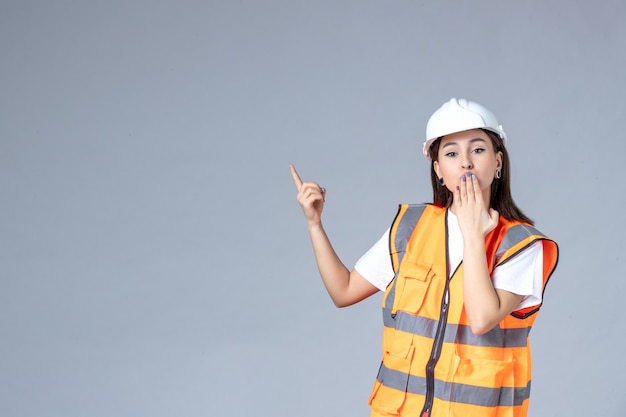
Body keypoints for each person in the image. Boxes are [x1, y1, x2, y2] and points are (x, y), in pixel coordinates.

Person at [290, 97, 559, 417]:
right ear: (438, 169)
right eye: (451, 153)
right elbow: (343, 291)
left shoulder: (520, 245)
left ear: (498, 161)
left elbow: (482, 318)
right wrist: (314, 224)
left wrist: (474, 235)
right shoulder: (410, 228)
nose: (466, 163)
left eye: (478, 149)